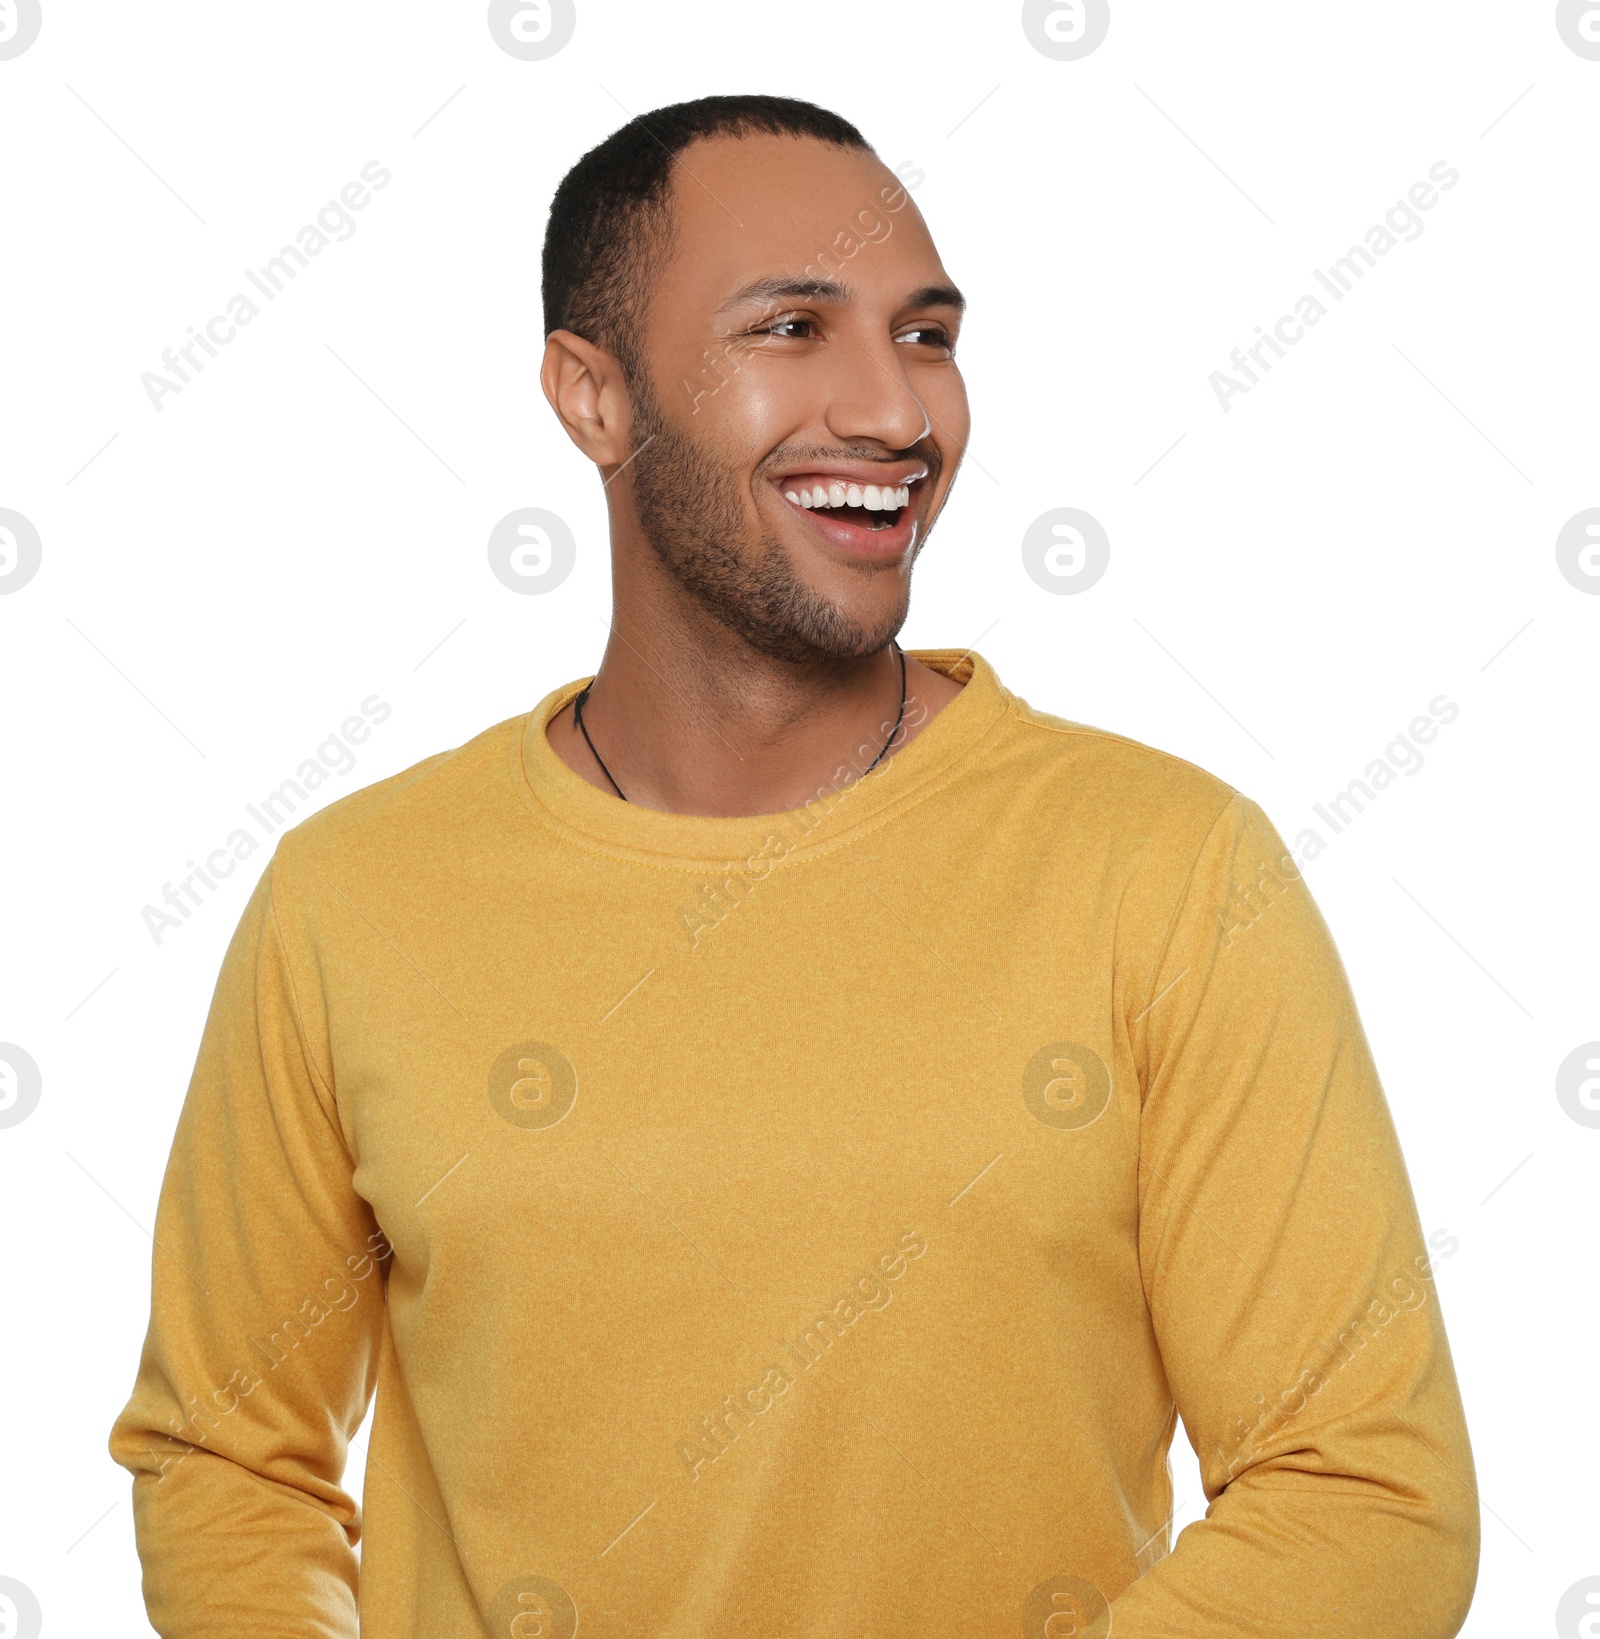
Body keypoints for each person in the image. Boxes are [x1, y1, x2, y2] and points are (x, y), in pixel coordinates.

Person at [109, 95, 1479, 1637]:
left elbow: (1366, 1493)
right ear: (592, 398)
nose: (895, 411)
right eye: (793, 329)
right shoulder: (348, 899)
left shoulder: (1168, 874)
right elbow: (226, 1458)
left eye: (928, 336)